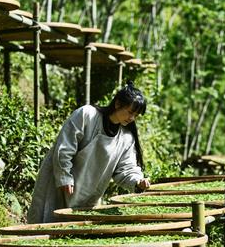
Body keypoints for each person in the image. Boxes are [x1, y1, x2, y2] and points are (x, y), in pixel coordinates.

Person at [27, 81, 151, 223]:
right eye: (130, 112)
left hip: (89, 192)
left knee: (77, 228)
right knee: (47, 221)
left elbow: (126, 169)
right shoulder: (87, 115)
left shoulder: (126, 138)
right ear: (117, 104)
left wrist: (137, 181)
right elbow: (64, 147)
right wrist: (64, 177)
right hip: (60, 184)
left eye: (136, 115)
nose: (132, 118)